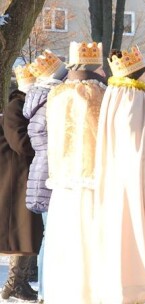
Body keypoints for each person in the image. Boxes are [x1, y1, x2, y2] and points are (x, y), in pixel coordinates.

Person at [92, 46, 145, 303]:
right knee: (139, 234)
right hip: (137, 181)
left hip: (115, 179)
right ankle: (140, 289)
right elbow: (143, 147)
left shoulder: (113, 94)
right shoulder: (137, 98)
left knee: (117, 234)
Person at [41, 41, 107, 303]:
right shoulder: (101, 94)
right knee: (89, 239)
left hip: (62, 177)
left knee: (63, 240)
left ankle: (61, 292)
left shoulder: (57, 94)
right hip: (92, 176)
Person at [24, 49, 68, 302]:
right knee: (52, 235)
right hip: (50, 172)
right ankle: (46, 290)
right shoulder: (51, 105)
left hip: (41, 171)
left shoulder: (37, 103)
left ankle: (45, 289)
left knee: (49, 234)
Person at [0, 64, 43, 301]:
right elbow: (21, 143)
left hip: (26, 176)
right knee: (21, 232)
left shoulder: (26, 107)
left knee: (29, 231)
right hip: (16, 179)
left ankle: (20, 281)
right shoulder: (16, 107)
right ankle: (14, 283)